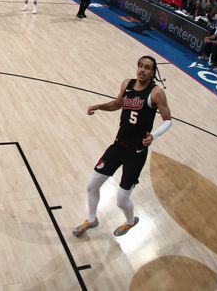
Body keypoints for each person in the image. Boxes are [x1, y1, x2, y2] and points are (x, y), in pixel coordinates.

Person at [72, 56, 172, 238]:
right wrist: (100, 106)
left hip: (136, 152)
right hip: (118, 146)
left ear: (152, 72)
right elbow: (118, 104)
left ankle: (130, 222)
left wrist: (153, 136)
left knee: (121, 200)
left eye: (147, 68)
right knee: (92, 186)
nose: (142, 70)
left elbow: (168, 121)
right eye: (140, 66)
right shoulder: (127, 84)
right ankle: (92, 219)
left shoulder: (156, 93)